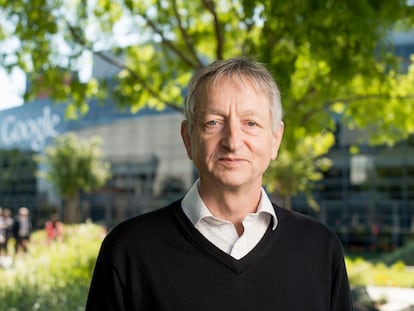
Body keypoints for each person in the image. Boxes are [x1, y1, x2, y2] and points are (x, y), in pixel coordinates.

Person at [86, 57, 353, 310]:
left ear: (275, 139)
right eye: (213, 122)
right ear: (188, 138)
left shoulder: (319, 249)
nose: (233, 141)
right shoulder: (128, 251)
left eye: (251, 123)